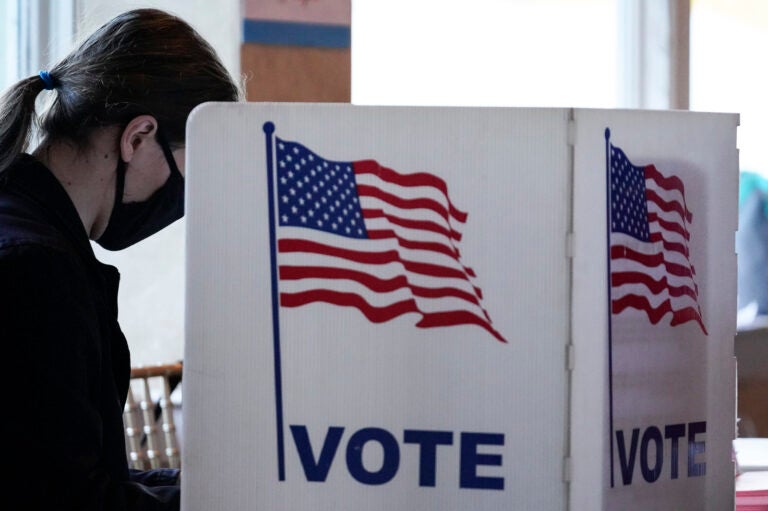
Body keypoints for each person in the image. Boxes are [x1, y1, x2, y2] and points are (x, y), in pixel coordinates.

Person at [0, 8, 240, 510]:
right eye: (186, 176)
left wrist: (221, 483)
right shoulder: (36, 271)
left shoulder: (32, 234)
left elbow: (59, 466)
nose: (181, 199)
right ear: (137, 137)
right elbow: (73, 501)